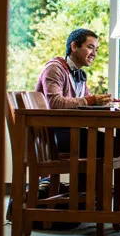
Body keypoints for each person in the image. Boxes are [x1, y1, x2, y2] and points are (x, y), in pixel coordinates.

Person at [35, 28, 114, 157]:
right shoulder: (54, 68)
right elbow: (55, 102)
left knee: (113, 143)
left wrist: (106, 101)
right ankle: (85, 178)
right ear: (74, 46)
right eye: (90, 47)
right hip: (53, 134)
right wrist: (91, 100)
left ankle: (84, 178)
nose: (94, 53)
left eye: (96, 50)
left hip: (69, 129)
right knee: (111, 144)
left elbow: (86, 101)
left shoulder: (79, 74)